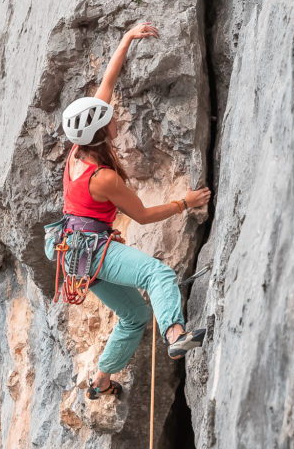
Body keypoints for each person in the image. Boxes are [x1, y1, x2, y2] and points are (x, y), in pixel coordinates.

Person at [60, 22, 211, 399]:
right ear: (100, 130)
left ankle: (101, 380)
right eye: (108, 118)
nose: (113, 115)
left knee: (135, 316)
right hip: (92, 250)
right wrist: (184, 203)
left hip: (73, 252)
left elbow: (106, 86)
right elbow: (142, 216)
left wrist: (127, 38)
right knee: (157, 275)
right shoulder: (103, 177)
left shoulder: (77, 153)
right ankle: (176, 335)